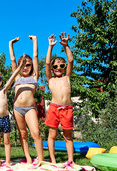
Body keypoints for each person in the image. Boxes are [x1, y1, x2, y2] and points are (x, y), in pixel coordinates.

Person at [9, 36, 44, 164]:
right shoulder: (17, 76)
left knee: (36, 132)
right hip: (17, 109)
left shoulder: (34, 77)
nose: (25, 67)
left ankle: (41, 159)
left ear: (32, 67)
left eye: (27, 65)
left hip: (30, 109)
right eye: (22, 65)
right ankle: (28, 158)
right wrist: (10, 44)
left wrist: (35, 40)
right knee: (22, 134)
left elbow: (35, 56)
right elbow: (12, 60)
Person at [0, 56, 27, 167]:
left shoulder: (4, 89)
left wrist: (20, 67)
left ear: (2, 80)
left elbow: (13, 76)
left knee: (7, 141)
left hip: (5, 118)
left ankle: (8, 161)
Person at [45, 33, 74, 164]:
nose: (58, 68)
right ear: (52, 69)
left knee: (68, 136)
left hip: (67, 109)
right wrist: (50, 46)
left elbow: (71, 60)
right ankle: (53, 160)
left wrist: (66, 46)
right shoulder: (50, 79)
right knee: (52, 136)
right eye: (55, 66)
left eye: (61, 66)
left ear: (64, 68)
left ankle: (70, 160)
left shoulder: (67, 77)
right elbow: (46, 63)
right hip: (54, 109)